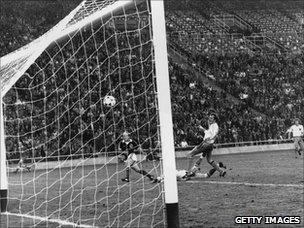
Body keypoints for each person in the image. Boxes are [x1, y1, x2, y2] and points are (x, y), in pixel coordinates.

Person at [185, 111, 226, 178]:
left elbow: (213, 135)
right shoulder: (212, 125)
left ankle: (188, 172)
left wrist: (207, 139)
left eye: (211, 118)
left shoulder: (215, 126)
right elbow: (208, 133)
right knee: (209, 160)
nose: (209, 119)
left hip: (206, 144)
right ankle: (221, 171)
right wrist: (202, 129)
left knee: (190, 154)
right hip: (210, 145)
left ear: (214, 119)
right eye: (209, 117)